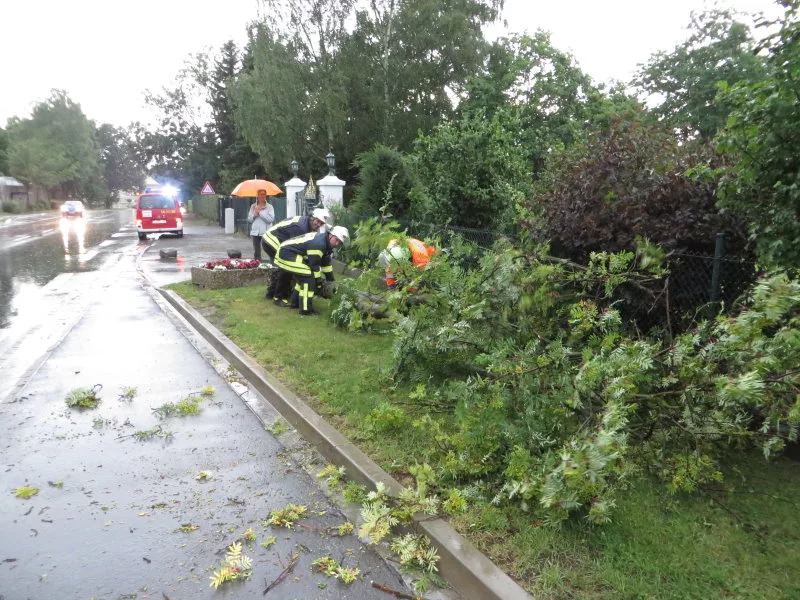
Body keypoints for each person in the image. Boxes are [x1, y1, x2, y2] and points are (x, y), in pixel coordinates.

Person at [274, 226, 350, 315]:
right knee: (308, 278)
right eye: (336, 240)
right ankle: (306, 310)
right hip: (286, 254)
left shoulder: (325, 243)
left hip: (290, 252)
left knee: (303, 277)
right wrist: (318, 281)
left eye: (339, 242)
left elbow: (326, 265)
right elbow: (314, 265)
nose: (337, 244)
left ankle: (295, 303)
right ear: (331, 235)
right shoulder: (320, 244)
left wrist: (331, 281)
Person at [262, 208, 334, 302]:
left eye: (321, 223)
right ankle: (279, 297)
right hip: (271, 241)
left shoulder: (307, 225)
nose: (318, 224)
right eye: (318, 221)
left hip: (277, 240)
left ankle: (272, 293)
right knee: (287, 267)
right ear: (312, 217)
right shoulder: (300, 228)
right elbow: (293, 246)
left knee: (286, 267)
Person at [247, 190, 275, 261]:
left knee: (269, 250)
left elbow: (270, 219)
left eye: (264, 194)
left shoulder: (269, 207)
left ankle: (272, 264)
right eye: (261, 194)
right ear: (258, 196)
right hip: (255, 232)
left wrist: (260, 213)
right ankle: (257, 265)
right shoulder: (253, 206)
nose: (263, 196)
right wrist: (254, 215)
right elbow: (249, 219)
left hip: (266, 232)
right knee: (257, 252)